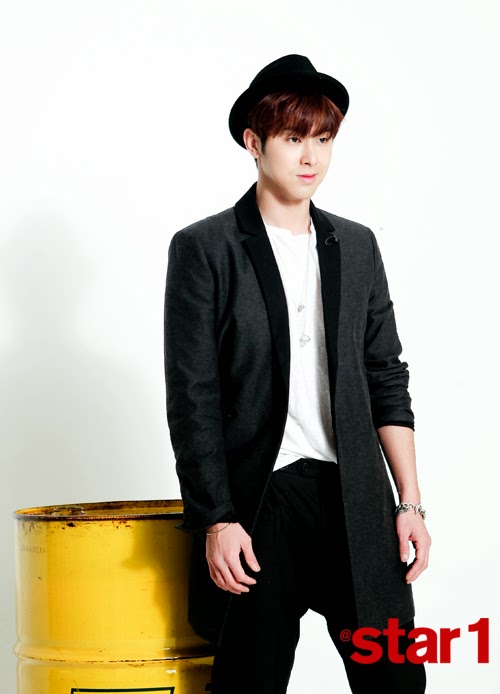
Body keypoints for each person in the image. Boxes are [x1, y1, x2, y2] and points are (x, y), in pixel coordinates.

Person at [164, 54, 431, 694]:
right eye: (292, 138)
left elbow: (386, 376)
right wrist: (216, 520)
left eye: (324, 138)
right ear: (254, 143)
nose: (311, 157)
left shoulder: (357, 246)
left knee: (396, 682)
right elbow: (193, 397)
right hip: (259, 505)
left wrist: (409, 503)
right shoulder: (205, 248)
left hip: (354, 499)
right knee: (250, 685)